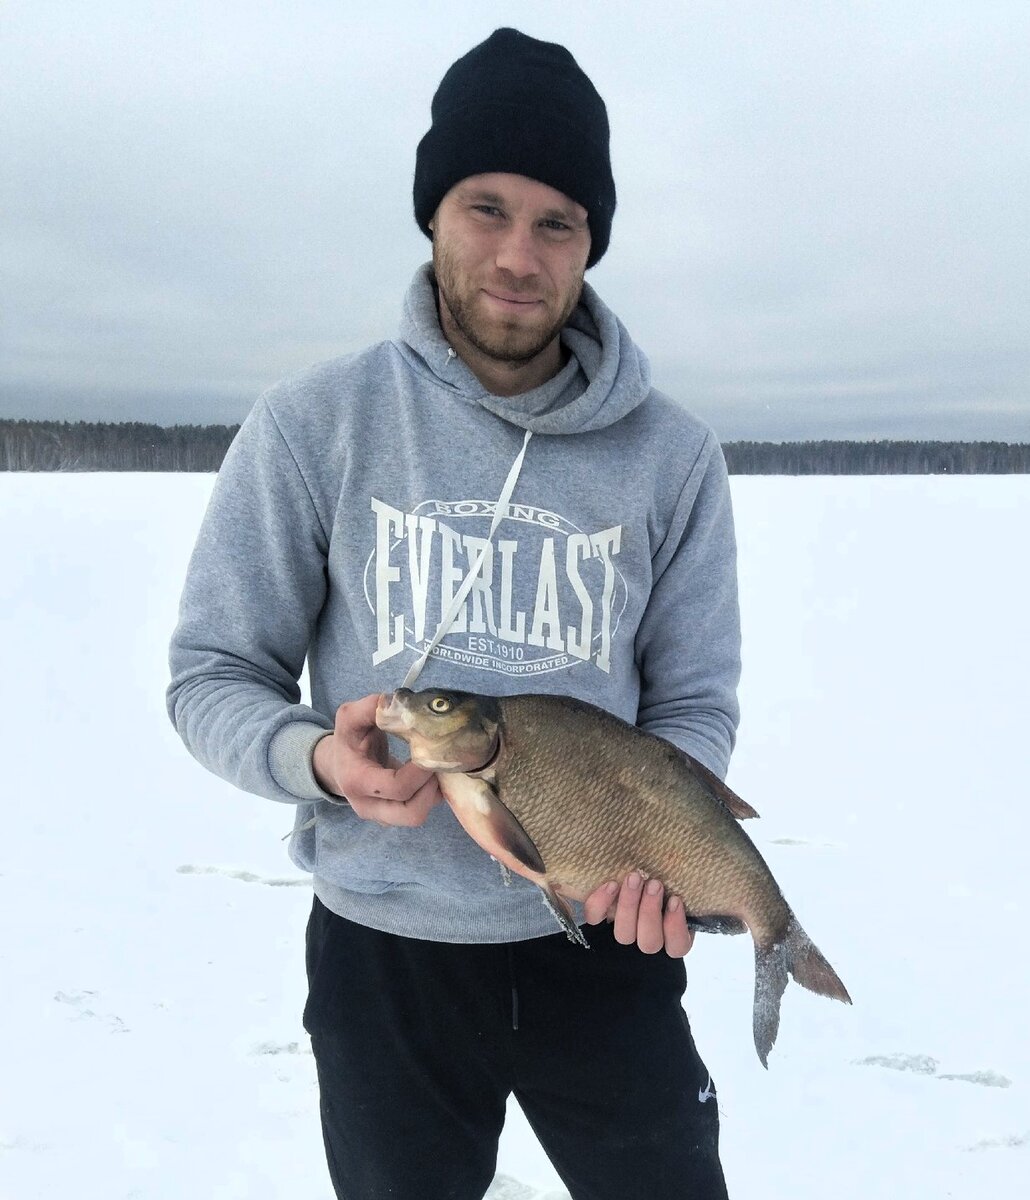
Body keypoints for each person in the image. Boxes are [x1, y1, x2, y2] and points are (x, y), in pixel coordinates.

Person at [168, 27, 740, 1200]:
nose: (517, 256)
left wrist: (650, 850)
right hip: (387, 957)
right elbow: (213, 673)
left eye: (557, 223)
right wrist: (318, 761)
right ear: (432, 213)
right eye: (485, 208)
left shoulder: (672, 457)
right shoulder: (313, 424)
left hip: (600, 943)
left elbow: (689, 699)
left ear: (592, 245)